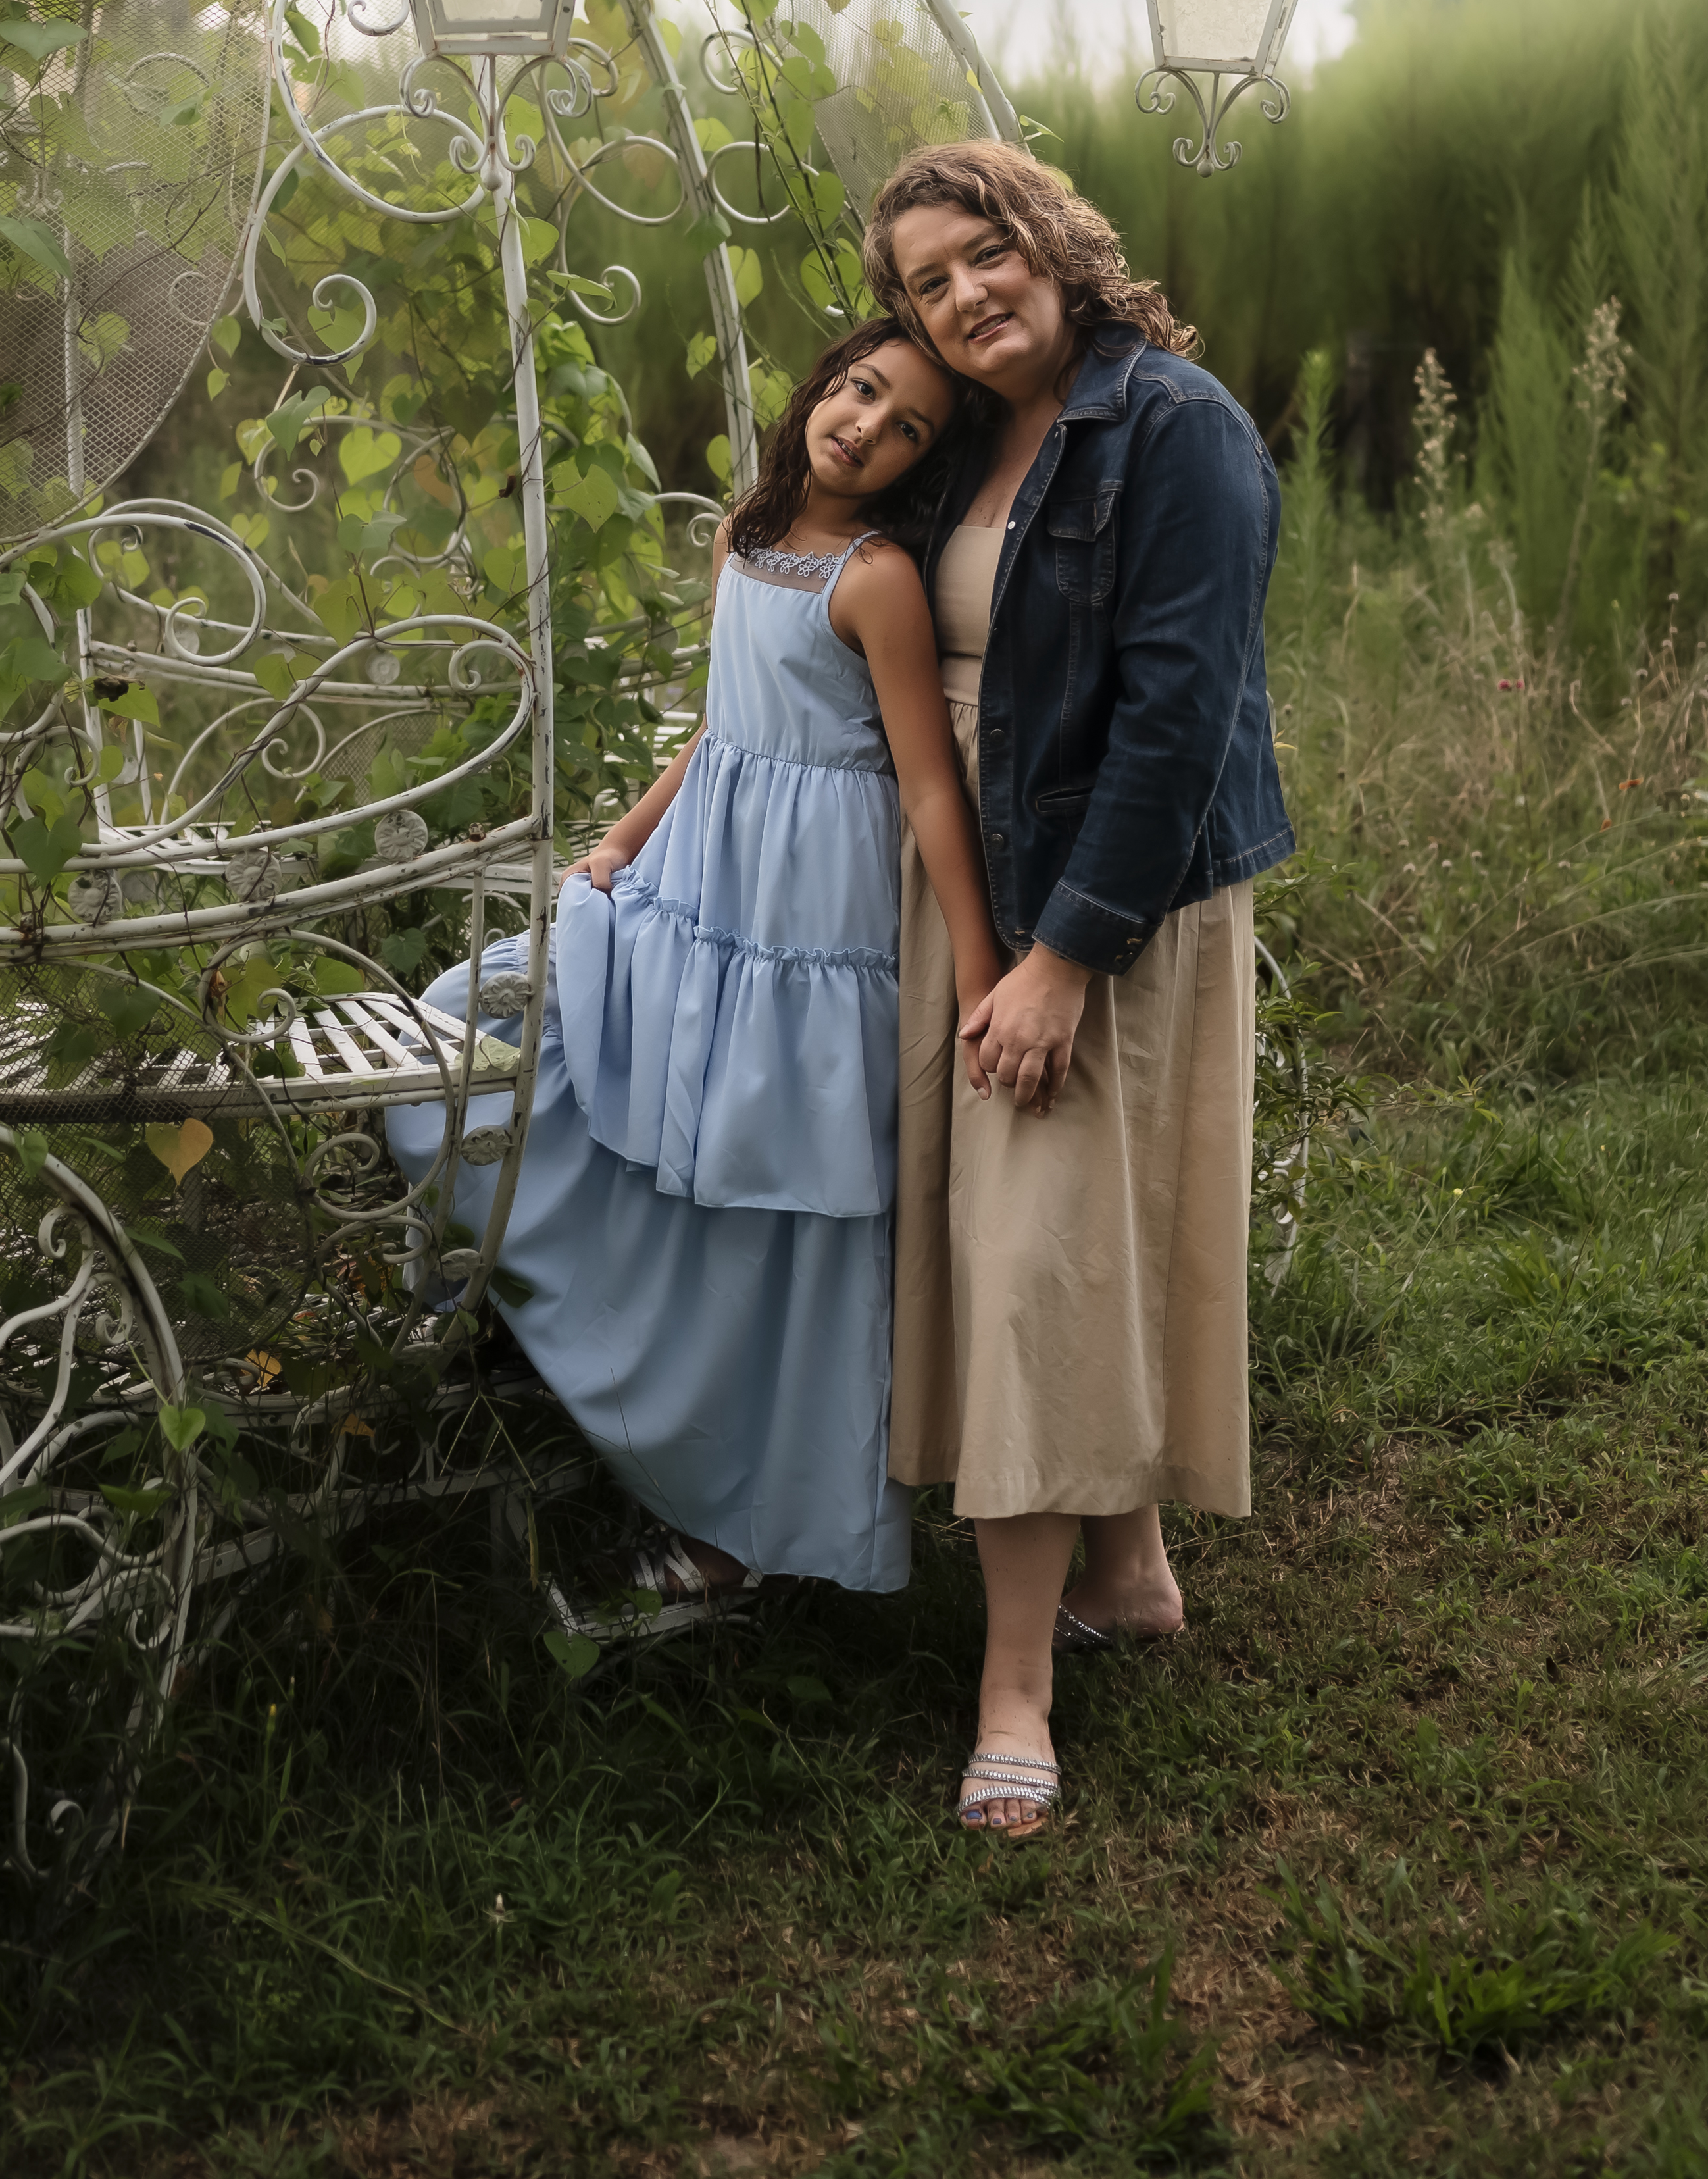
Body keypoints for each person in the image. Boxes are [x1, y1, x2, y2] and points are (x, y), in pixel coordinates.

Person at [386, 319, 1001, 1615]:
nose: (867, 429)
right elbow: (723, 727)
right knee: (468, 1026)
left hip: (808, 927)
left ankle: (756, 1520)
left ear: (919, 466)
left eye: (908, 432)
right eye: (863, 391)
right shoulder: (745, 533)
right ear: (826, 380)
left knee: (774, 1211)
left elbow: (930, 791)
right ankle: (565, 1340)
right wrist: (619, 838)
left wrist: (984, 971)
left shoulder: (878, 579)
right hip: (695, 892)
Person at [863, 138, 1293, 1836]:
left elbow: (1182, 714)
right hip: (966, 880)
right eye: (926, 280)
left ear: (1052, 241)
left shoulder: (1174, 425)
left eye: (984, 253)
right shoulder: (962, 430)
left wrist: (1062, 954)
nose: (965, 294)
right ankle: (1128, 1569)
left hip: (1090, 893)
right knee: (1027, 1242)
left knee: (1037, 1260)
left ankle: (1015, 1690)